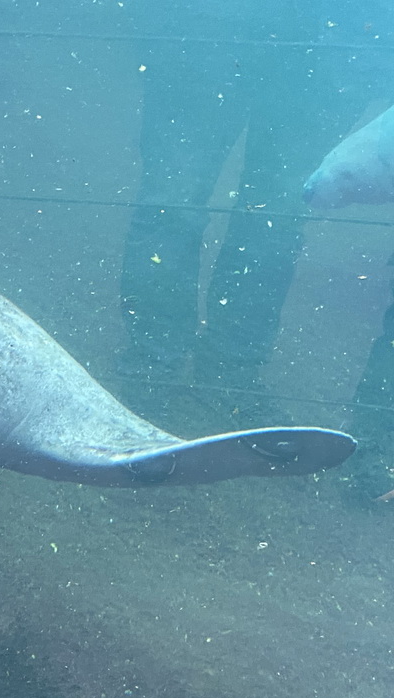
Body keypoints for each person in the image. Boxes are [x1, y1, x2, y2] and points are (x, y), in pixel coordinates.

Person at [115, 1, 384, 426]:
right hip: (209, 24)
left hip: (330, 39)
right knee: (174, 199)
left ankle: (227, 371)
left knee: (276, 216)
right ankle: (153, 363)